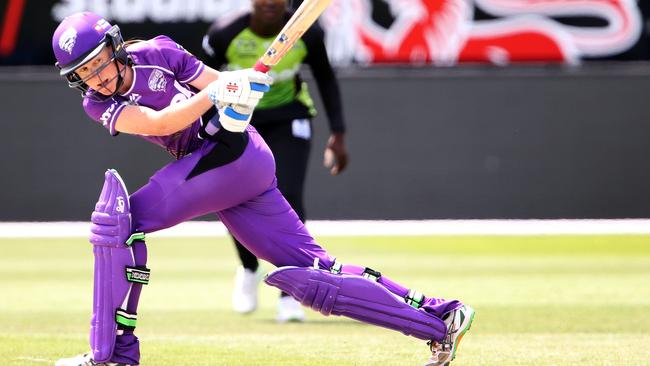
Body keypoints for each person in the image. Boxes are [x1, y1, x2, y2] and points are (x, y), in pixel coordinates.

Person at [52, 12, 474, 366]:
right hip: (222, 168)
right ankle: (441, 320)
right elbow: (162, 124)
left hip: (233, 154)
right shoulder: (97, 104)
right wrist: (221, 91)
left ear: (116, 46)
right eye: (84, 73)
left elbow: (227, 89)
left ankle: (112, 355)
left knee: (120, 222)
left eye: (99, 63)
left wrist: (240, 94)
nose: (97, 78)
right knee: (318, 274)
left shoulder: (159, 53)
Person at [202, 0, 349, 322]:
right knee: (235, 198)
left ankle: (291, 291)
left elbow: (325, 78)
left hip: (289, 117)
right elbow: (199, 85)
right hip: (239, 120)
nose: (270, 2)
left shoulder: (306, 33)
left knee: (290, 196)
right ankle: (249, 268)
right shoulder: (225, 33)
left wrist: (338, 132)